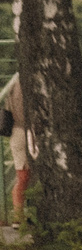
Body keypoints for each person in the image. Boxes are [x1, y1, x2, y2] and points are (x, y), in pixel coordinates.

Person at [2, 71, 27, 222]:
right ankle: (18, 216)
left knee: (24, 176)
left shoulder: (15, 80)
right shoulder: (18, 80)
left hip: (22, 130)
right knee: (23, 175)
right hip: (20, 129)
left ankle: (20, 215)